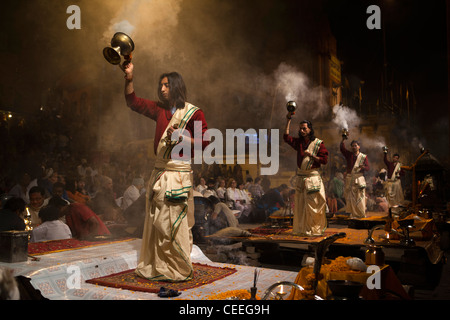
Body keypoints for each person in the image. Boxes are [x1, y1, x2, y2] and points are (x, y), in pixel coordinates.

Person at [123, 62, 209, 282]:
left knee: (173, 223)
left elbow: (206, 143)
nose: (161, 89)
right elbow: (133, 102)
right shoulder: (159, 109)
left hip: (178, 175)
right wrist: (129, 78)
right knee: (156, 222)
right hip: (160, 174)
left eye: (166, 85)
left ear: (176, 87)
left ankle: (177, 267)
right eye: (160, 85)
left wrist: (181, 136)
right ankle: (158, 266)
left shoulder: (194, 113)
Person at [284, 116, 328, 236]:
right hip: (301, 178)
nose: (301, 131)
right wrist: (288, 120)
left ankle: (314, 230)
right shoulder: (299, 143)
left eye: (304, 128)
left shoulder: (318, 143)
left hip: (312, 179)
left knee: (313, 206)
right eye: (300, 129)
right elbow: (286, 138)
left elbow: (324, 160)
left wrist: (312, 155)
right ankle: (302, 229)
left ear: (310, 129)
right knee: (300, 205)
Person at [340, 139, 370, 218]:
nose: (354, 147)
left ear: (359, 147)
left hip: (359, 179)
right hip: (350, 179)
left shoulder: (363, 157)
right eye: (352, 146)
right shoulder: (349, 155)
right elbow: (342, 149)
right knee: (351, 197)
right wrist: (343, 140)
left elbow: (368, 168)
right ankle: (352, 214)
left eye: (355, 145)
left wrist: (363, 167)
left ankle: (360, 213)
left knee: (360, 196)